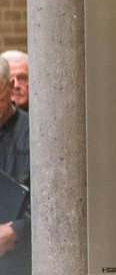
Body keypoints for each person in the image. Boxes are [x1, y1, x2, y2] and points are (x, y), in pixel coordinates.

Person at [0, 57, 31, 274]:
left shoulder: (34, 130)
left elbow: (52, 195)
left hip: (21, 256)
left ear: (10, 87)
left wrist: (19, 229)